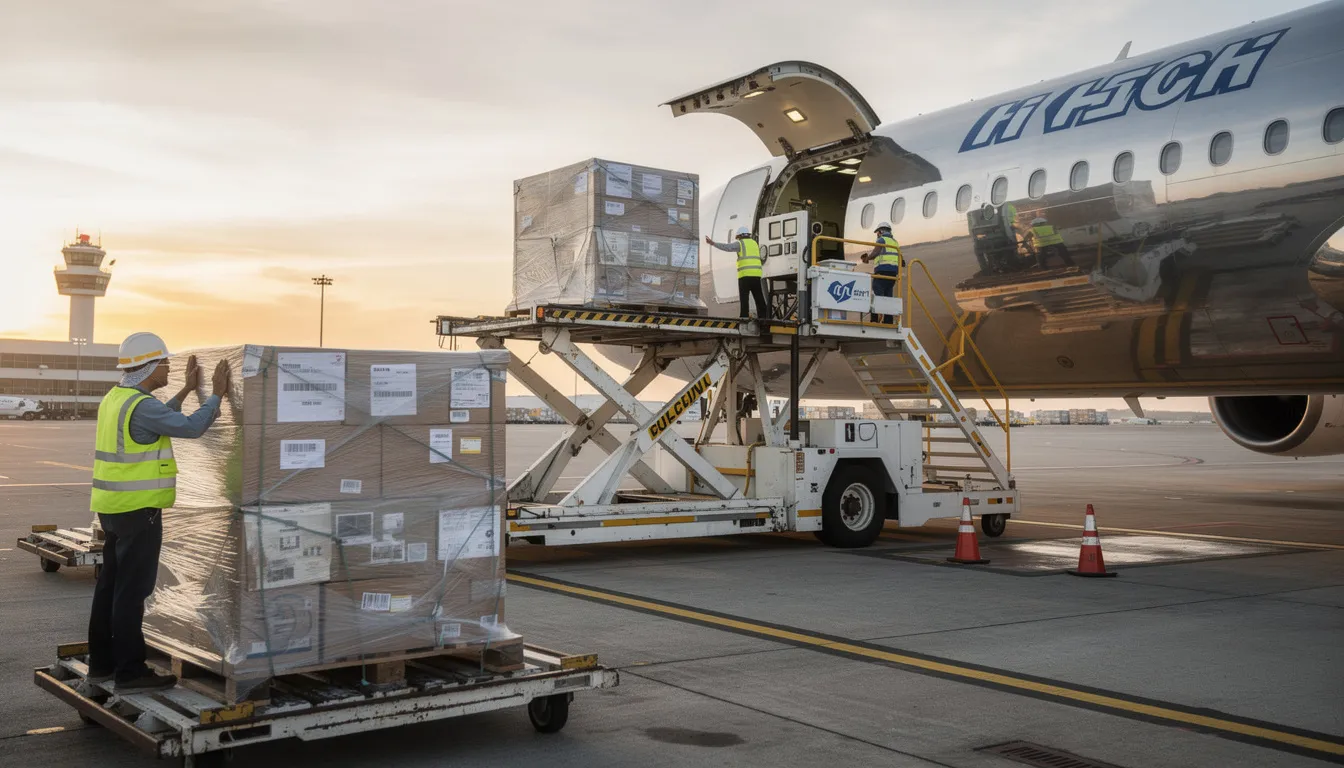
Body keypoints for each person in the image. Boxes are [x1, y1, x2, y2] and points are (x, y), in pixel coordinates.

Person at [86, 332, 231, 692]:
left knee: (109, 588)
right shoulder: (141, 405)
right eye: (165, 362)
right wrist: (216, 394)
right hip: (139, 512)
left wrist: (185, 391)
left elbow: (157, 421)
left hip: (112, 509)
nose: (168, 367)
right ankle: (130, 672)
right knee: (132, 593)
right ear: (149, 367)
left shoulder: (117, 399)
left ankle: (101, 665)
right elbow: (192, 428)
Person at [705, 227, 770, 319]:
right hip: (756, 275)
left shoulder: (740, 243)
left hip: (745, 276)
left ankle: (744, 318)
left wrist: (713, 243)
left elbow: (727, 247)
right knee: (759, 298)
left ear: (740, 236)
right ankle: (764, 319)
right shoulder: (755, 243)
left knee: (744, 299)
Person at [861, 222, 903, 324]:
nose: (877, 235)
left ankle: (874, 319)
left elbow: (876, 252)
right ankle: (888, 320)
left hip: (882, 271)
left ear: (881, 231)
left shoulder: (881, 240)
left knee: (876, 292)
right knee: (888, 295)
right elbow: (901, 259)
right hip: (893, 274)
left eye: (877, 233)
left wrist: (867, 259)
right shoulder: (895, 242)